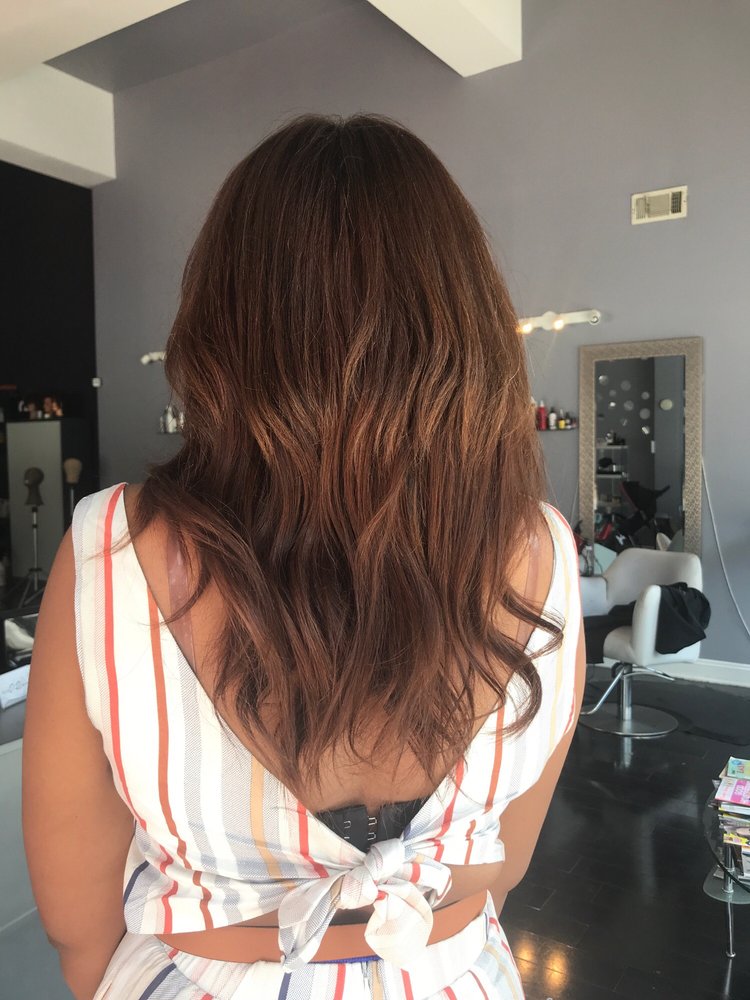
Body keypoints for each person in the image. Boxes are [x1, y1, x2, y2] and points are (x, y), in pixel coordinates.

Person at [22, 113, 585, 1000]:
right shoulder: (543, 550)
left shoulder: (109, 548)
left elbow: (74, 918)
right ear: (467, 330)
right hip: (452, 976)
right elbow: (503, 867)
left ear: (222, 327)